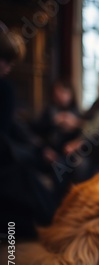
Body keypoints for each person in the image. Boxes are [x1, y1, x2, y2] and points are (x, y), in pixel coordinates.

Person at [0, 26, 55, 236]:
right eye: (5, 60)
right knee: (39, 205)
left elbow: (13, 127)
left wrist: (39, 149)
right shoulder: (4, 89)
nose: (8, 68)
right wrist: (35, 156)